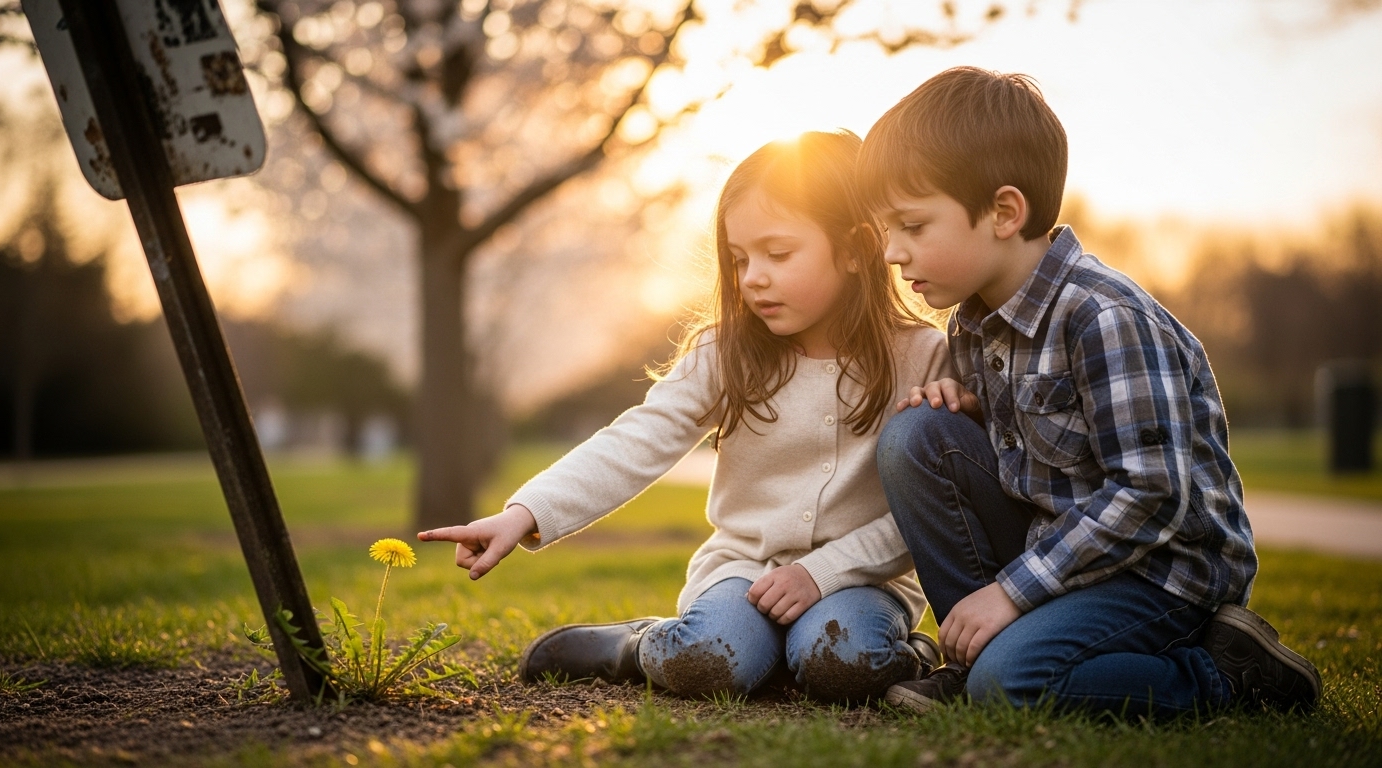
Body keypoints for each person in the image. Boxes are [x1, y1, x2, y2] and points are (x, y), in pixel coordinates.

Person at [419, 130, 951, 702]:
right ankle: (636, 644)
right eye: (740, 258)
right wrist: (525, 513)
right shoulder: (726, 352)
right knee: (706, 662)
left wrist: (821, 573)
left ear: (855, 248)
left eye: (778, 253)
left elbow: (926, 508)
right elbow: (637, 440)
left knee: (844, 663)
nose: (752, 278)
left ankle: (903, 651)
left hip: (862, 581)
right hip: (742, 572)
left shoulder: (923, 356)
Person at [861, 66, 1322, 718]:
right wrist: (966, 406)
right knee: (917, 436)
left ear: (1003, 212)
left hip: (1161, 573)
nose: (891, 252)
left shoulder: (1103, 317)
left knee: (1010, 685)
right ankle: (972, 656)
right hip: (1063, 548)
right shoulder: (972, 318)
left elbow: (1151, 493)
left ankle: (1223, 675)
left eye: (911, 226)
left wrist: (1013, 593)